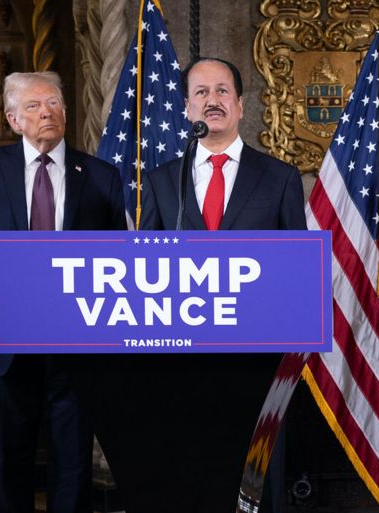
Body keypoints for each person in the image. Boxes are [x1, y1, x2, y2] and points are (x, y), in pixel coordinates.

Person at [96, 58, 306, 513]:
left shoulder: (280, 179)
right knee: (188, 473)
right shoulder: (160, 180)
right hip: (181, 356)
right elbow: (143, 267)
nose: (212, 101)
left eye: (222, 91)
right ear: (187, 107)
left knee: (255, 475)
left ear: (241, 105)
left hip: (257, 357)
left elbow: (297, 269)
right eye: (201, 93)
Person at [0, 71, 126, 513]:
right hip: (4, 337)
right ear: (13, 119)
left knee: (73, 463)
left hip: (78, 343)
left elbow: (119, 259)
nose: (47, 112)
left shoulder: (101, 175)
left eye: (54, 104)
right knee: (7, 457)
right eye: (33, 106)